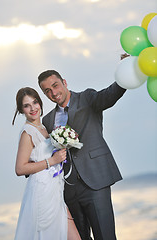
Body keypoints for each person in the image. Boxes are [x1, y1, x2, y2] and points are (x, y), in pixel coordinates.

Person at [38, 70, 127, 240]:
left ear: (64, 82)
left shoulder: (87, 98)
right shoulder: (47, 120)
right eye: (47, 91)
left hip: (95, 182)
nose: (53, 93)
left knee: (105, 236)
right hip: (68, 190)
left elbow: (110, 95)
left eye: (55, 86)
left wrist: (126, 74)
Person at [12, 87, 81, 240]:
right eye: (26, 105)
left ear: (40, 102)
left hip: (54, 190)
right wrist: (52, 161)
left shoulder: (43, 128)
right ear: (21, 109)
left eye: (35, 102)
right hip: (41, 192)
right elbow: (20, 168)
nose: (33, 108)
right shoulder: (27, 132)